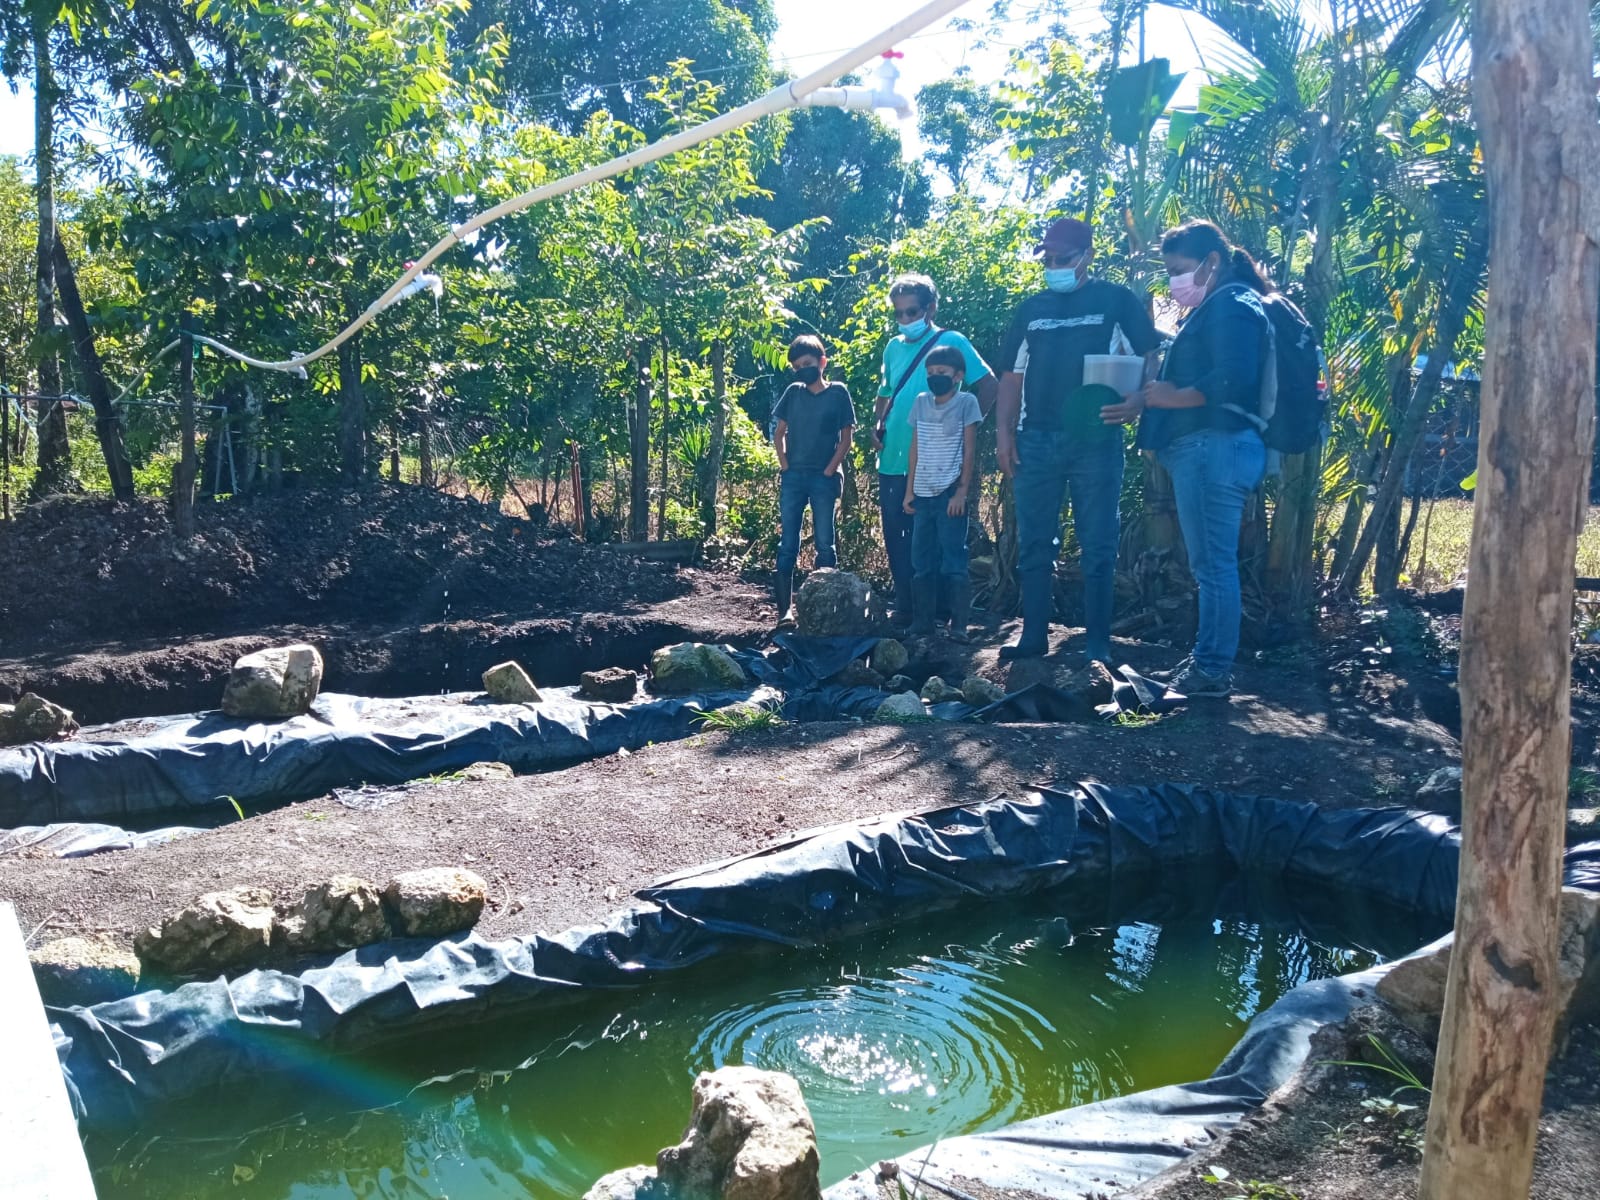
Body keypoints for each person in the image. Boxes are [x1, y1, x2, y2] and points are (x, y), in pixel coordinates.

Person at [1100, 219, 1273, 697]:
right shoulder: (1224, 304)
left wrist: (1175, 397)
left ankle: (1212, 670)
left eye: (1179, 269)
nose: (1174, 281)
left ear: (1211, 262)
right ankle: (1208, 662)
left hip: (1211, 448)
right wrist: (1151, 397)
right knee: (1212, 564)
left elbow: (1235, 375)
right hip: (1212, 449)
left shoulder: (1232, 304)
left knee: (1213, 566)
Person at [995, 218, 1160, 664]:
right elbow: (1011, 376)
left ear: (1087, 256)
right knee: (1035, 543)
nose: (1054, 266)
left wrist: (1139, 398)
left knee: (1098, 542)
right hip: (1035, 439)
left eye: (1063, 258)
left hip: (1096, 439)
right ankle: (1033, 637)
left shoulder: (1116, 301)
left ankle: (1097, 644)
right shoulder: (1031, 309)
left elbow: (1150, 355)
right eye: (1047, 259)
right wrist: (1004, 436)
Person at [873, 275, 995, 625]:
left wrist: (965, 430)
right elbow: (885, 391)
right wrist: (877, 423)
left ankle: (944, 616)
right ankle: (907, 609)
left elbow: (989, 385)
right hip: (894, 457)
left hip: (939, 466)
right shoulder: (893, 347)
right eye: (898, 313)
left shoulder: (951, 342)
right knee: (898, 538)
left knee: (941, 541)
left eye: (912, 312)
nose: (905, 319)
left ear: (930, 308)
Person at [772, 334, 855, 628]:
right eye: (796, 367)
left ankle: (826, 612)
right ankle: (784, 613)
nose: (802, 370)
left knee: (824, 542)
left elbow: (846, 438)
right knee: (788, 543)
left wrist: (830, 470)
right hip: (794, 477)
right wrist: (785, 465)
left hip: (824, 478)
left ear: (822, 362)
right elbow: (779, 433)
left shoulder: (838, 393)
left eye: (807, 364)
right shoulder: (793, 393)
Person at [902, 344, 984, 641]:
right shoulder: (921, 402)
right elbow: (915, 448)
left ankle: (959, 625)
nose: (935, 376)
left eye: (942, 372)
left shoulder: (966, 403)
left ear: (958, 375)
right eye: (931, 372)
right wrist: (909, 491)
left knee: (954, 560)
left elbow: (969, 450)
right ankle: (923, 622)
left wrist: (961, 492)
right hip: (922, 493)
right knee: (921, 561)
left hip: (950, 491)